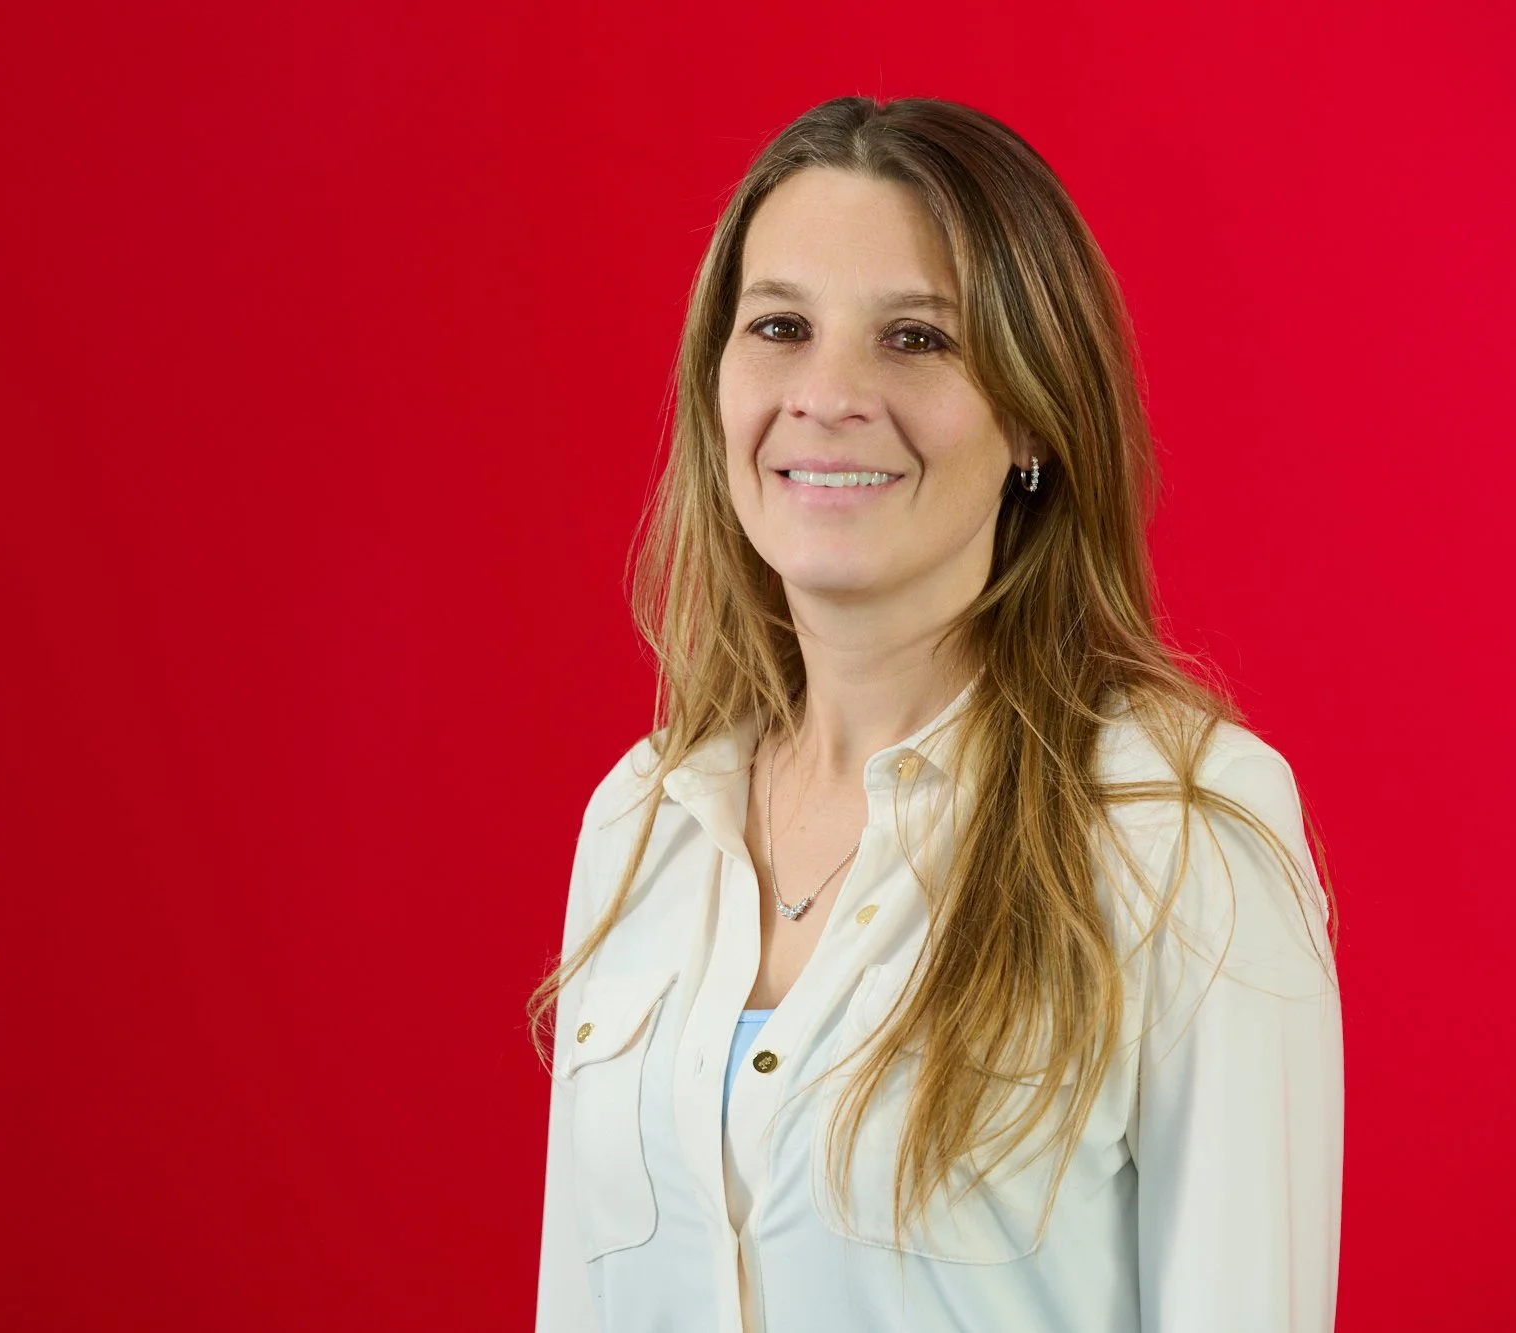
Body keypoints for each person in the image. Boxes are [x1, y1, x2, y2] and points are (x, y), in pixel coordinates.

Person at [527, 95, 1343, 1333]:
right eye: (780, 326)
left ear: (1033, 416)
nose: (828, 394)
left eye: (914, 338)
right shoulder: (641, 820)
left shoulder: (1178, 828)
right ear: (715, 387)